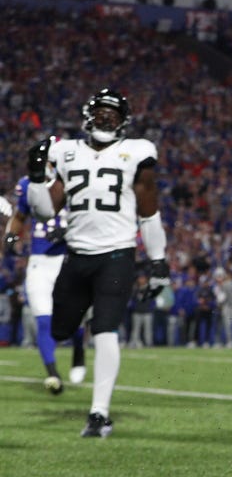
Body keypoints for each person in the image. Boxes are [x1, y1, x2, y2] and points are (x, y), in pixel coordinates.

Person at [25, 89, 169, 437]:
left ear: (124, 122)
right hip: (77, 255)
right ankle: (83, 328)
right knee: (60, 330)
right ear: (88, 116)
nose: (106, 118)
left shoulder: (137, 152)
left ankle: (98, 413)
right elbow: (44, 211)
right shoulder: (67, 151)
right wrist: (36, 177)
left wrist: (158, 262)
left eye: (113, 114)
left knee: (106, 330)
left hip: (117, 255)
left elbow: (149, 213)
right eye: (101, 112)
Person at [5, 178, 88, 394]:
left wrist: (67, 231)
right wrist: (11, 236)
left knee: (74, 318)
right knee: (43, 321)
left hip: (68, 258)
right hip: (39, 261)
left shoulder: (75, 175)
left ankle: (79, 350)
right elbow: (19, 215)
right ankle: (53, 374)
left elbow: (90, 218)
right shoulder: (28, 184)